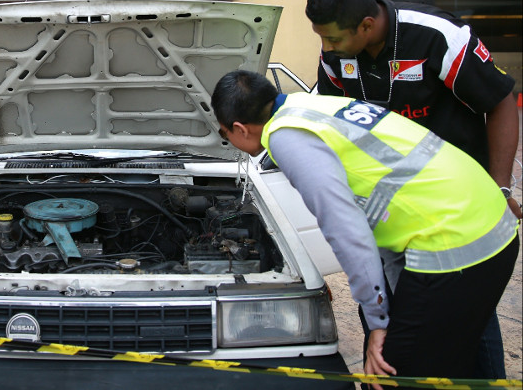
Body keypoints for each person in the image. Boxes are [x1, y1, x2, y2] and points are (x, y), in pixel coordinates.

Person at [211, 70, 519, 387]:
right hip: (488, 219)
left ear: (239, 128)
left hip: (455, 241)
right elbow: (380, 208)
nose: (229, 142)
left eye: (225, 135)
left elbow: (347, 232)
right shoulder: (308, 107)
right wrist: (392, 311)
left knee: (391, 373)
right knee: (451, 360)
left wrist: (379, 322)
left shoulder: (286, 137)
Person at [305, 0, 519, 378]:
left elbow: (501, 101)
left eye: (333, 39)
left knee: (469, 308)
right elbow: (337, 123)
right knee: (381, 301)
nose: (327, 50)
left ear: (366, 26)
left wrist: (500, 186)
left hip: (453, 203)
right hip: (389, 207)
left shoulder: (438, 37)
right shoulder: (336, 55)